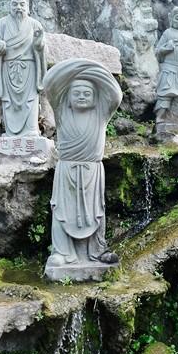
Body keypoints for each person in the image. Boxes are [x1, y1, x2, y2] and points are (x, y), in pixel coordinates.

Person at [42, 59, 123, 271]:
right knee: (61, 211)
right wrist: (78, 66)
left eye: (87, 93)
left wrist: (93, 69)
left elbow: (115, 94)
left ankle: (98, 250)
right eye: (76, 92)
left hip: (92, 170)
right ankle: (61, 252)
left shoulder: (101, 113)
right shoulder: (61, 111)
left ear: (96, 99)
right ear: (66, 98)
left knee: (96, 211)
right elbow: (49, 84)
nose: (81, 96)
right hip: (67, 168)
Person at [0, 0, 47, 137]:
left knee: (31, 99)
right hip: (8, 68)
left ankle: (31, 129)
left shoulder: (35, 24)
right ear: (9, 5)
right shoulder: (2, 24)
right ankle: (10, 132)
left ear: (27, 5)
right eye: (14, 4)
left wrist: (39, 44)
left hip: (29, 68)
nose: (18, 8)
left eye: (22, 4)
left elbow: (41, 48)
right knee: (9, 102)